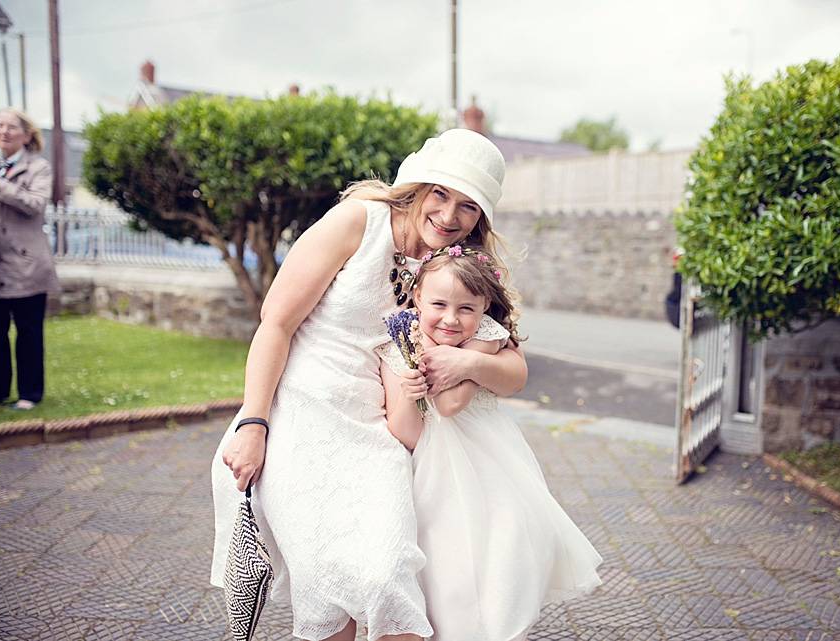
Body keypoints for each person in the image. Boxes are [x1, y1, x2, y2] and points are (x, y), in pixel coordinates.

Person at [210, 129, 528, 641]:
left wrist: (464, 363)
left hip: (379, 433)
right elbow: (276, 324)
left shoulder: (458, 263)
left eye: (469, 207)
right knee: (326, 587)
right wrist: (253, 421)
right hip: (303, 413)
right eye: (441, 193)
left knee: (384, 576)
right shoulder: (359, 220)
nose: (449, 216)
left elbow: (509, 356)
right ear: (417, 183)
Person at [378, 246, 603, 641]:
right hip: (432, 473)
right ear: (416, 297)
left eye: (466, 307)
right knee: (446, 570)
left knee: (500, 555)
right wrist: (410, 391)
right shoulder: (394, 348)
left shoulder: (485, 336)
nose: (451, 318)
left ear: (485, 306)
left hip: (489, 467)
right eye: (438, 304)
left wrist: (429, 354)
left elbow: (450, 404)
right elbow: (405, 434)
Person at [0, 108, 58, 411]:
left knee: (28, 332)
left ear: (27, 134)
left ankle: (30, 394)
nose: (4, 131)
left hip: (27, 264)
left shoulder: (38, 168)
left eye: (12, 127)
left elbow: (34, 204)